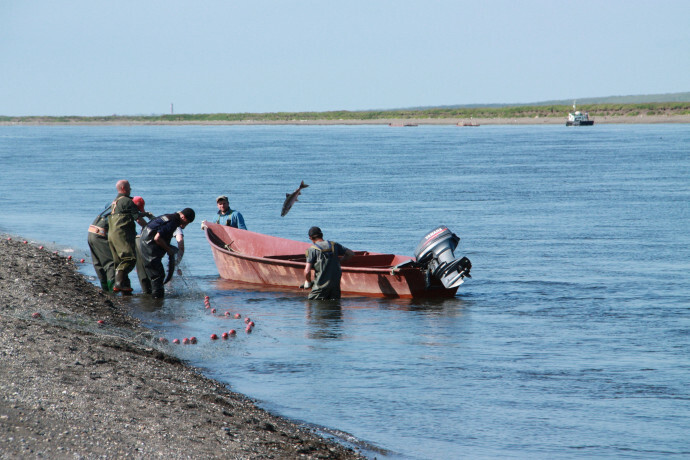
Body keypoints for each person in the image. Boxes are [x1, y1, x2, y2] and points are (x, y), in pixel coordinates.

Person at [138, 208, 195, 298]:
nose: (185, 225)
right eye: (187, 222)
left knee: (155, 273)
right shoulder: (173, 222)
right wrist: (168, 249)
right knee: (158, 275)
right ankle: (157, 300)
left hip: (144, 241)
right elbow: (157, 238)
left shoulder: (170, 217)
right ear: (183, 217)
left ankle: (149, 298)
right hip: (148, 245)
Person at [107, 180, 147, 293]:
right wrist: (149, 228)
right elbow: (138, 219)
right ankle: (119, 283)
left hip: (112, 234)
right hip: (121, 233)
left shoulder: (115, 202)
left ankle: (125, 288)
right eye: (129, 188)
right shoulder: (127, 201)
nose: (130, 190)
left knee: (119, 261)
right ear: (124, 188)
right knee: (129, 259)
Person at [301, 226, 354, 300]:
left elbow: (307, 271)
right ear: (322, 235)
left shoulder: (312, 250)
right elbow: (351, 253)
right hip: (335, 287)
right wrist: (338, 261)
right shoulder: (334, 245)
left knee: (310, 303)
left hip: (320, 288)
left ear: (311, 238)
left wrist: (308, 282)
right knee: (335, 309)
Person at [87, 204, 115, 291]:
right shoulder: (119, 213)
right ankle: (112, 290)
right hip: (99, 235)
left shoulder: (108, 210)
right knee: (110, 263)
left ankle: (105, 288)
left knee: (98, 263)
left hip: (91, 233)